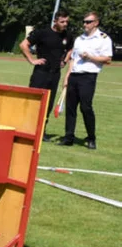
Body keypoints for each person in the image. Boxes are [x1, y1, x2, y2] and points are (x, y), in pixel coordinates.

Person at [59, 12, 113, 150]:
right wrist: (67, 76)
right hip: (74, 75)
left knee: (86, 107)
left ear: (96, 23)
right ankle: (68, 137)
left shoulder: (103, 38)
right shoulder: (79, 39)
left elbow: (107, 59)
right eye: (84, 21)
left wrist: (90, 57)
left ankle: (91, 137)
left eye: (88, 22)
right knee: (70, 108)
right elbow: (73, 59)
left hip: (88, 76)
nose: (85, 24)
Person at [20, 10, 72, 124]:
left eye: (67, 22)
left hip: (55, 74)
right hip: (41, 72)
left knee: (48, 103)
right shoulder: (42, 33)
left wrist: (65, 60)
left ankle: (42, 131)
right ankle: (27, 126)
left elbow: (71, 49)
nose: (65, 24)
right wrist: (32, 60)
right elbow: (24, 45)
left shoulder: (67, 35)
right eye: (62, 21)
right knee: (34, 100)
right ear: (55, 21)